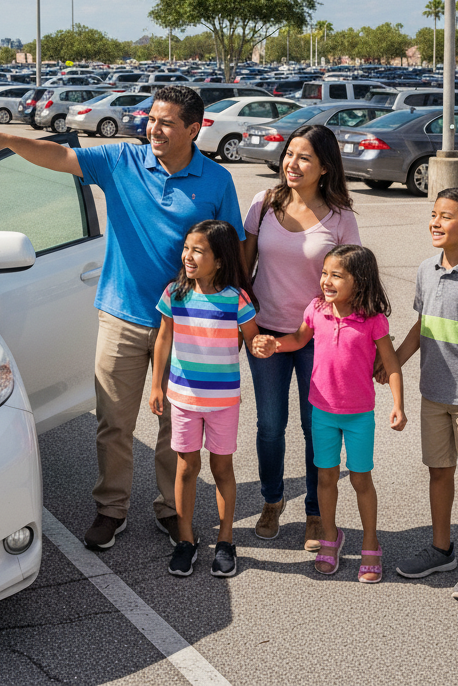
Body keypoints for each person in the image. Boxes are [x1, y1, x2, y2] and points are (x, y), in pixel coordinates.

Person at [0, 85, 244, 551]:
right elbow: (59, 157)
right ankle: (111, 509)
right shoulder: (123, 160)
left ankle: (171, 508)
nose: (154, 128)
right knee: (114, 422)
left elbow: (233, 251)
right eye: (152, 119)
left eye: (166, 122)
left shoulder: (216, 181)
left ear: (193, 129)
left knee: (173, 425)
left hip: (187, 325)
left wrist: (230, 319)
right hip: (122, 315)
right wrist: (11, 141)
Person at [252, 244, 405, 581]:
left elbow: (391, 363)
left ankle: (370, 542)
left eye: (337, 275)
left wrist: (398, 404)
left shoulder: (372, 319)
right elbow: (296, 338)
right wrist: (274, 344)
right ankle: (330, 537)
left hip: (359, 415)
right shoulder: (316, 309)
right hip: (322, 411)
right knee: (326, 478)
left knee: (362, 479)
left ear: (360, 281)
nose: (326, 280)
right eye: (325, 273)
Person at [383, 187, 458, 602]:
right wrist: (394, 362)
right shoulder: (426, 269)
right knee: (439, 471)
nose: (435, 222)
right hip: (433, 394)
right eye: (433, 214)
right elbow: (422, 326)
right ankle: (442, 549)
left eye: (446, 216)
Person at [240, 125, 361, 551]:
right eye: (290, 154)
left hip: (320, 339)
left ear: (325, 167)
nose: (292, 163)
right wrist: (247, 327)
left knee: (316, 427)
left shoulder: (341, 217)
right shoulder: (264, 203)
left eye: (304, 157)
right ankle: (272, 501)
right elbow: (243, 271)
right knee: (270, 425)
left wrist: (372, 346)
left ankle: (314, 510)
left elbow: (355, 280)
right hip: (267, 334)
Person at [150, 220, 259, 578]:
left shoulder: (236, 299)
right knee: (185, 468)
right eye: (187, 249)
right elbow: (164, 338)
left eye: (198, 251)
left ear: (220, 259)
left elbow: (252, 340)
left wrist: (267, 345)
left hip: (224, 401)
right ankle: (186, 540)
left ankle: (226, 541)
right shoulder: (175, 293)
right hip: (182, 398)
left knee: (222, 468)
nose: (188, 256)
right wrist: (156, 385)